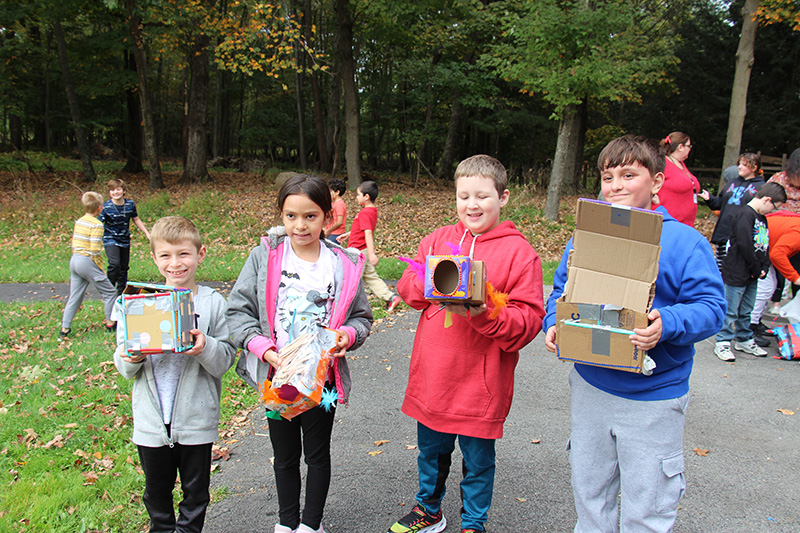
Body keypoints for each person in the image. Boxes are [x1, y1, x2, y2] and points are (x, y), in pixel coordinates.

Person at [543, 135, 726, 532]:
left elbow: (713, 309)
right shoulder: (587, 235)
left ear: (657, 182)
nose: (617, 186)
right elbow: (560, 290)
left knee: (648, 505)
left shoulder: (685, 243)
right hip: (591, 387)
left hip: (653, 398)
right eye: (608, 177)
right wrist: (552, 322)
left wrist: (668, 323)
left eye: (629, 174)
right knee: (591, 496)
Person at [387, 155, 545, 533]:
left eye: (482, 196)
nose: (472, 205)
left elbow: (529, 321)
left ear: (503, 197)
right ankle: (428, 510)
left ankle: (473, 523)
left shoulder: (520, 254)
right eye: (463, 196)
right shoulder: (438, 240)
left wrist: (485, 310)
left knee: (477, 460)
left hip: (481, 382)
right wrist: (426, 281)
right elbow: (408, 288)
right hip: (434, 375)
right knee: (431, 451)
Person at [226, 174, 373, 533]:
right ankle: (286, 523)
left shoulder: (344, 263)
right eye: (291, 216)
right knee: (285, 456)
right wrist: (264, 350)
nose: (300, 225)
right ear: (281, 214)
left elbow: (362, 317)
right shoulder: (264, 256)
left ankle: (311, 525)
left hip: (324, 381)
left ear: (327, 216)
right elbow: (238, 311)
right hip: (278, 378)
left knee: (317, 454)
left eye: (310, 216)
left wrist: (347, 336)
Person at [113, 216, 236, 533]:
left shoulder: (213, 304)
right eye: (166, 255)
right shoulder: (137, 301)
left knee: (195, 497)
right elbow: (126, 367)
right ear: (153, 258)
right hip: (151, 424)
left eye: (184, 254)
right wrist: (133, 355)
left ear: (201, 253)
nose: (175, 263)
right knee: (156, 497)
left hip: (196, 420)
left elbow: (224, 360)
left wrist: (205, 346)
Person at [713, 183, 786, 361]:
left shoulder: (762, 218)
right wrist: (756, 267)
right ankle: (723, 341)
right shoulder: (744, 215)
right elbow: (745, 245)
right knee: (731, 309)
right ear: (767, 200)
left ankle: (744, 338)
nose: (772, 211)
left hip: (753, 273)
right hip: (738, 271)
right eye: (774, 207)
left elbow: (765, 244)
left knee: (747, 309)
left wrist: (764, 266)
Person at [59, 191, 119, 339]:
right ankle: (110, 323)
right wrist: (100, 268)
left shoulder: (80, 221)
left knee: (75, 296)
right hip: (86, 261)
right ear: (100, 208)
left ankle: (65, 329)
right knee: (110, 292)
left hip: (75, 260)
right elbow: (95, 250)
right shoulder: (97, 225)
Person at [338, 180, 403, 312]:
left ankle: (347, 307)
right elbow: (362, 229)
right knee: (371, 277)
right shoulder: (372, 211)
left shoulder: (365, 213)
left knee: (353, 280)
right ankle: (391, 297)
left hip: (358, 251)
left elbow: (368, 233)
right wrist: (348, 234)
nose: (356, 197)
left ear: (366, 197)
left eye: (358, 195)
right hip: (362, 249)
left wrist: (372, 254)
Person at [700, 153, 767, 271]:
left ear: (754, 167)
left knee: (734, 269)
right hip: (724, 231)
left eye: (744, 164)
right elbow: (720, 203)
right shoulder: (732, 182)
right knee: (720, 268)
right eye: (739, 164)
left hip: (743, 234)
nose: (739, 167)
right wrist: (710, 199)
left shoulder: (761, 187)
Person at [749, 210, 800, 344]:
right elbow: (777, 254)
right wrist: (795, 278)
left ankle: (755, 322)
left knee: (769, 286)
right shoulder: (797, 234)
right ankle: (749, 329)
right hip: (753, 245)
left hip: (765, 246)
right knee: (764, 289)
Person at [98, 178, 150, 296]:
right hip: (110, 239)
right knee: (114, 264)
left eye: (118, 189)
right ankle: (109, 289)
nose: (115, 192)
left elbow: (136, 219)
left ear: (123, 190)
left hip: (124, 239)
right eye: (112, 190)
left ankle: (121, 293)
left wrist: (147, 233)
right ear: (109, 192)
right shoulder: (106, 207)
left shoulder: (130, 204)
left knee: (123, 267)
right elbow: (98, 223)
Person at [659, 131, 701, 226]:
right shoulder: (663, 163)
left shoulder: (680, 163)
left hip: (685, 224)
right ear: (680, 147)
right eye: (689, 146)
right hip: (668, 222)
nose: (690, 149)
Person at [323, 178, 347, 244]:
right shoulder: (333, 203)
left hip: (336, 234)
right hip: (331, 232)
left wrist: (328, 230)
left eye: (330, 191)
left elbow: (339, 222)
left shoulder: (339, 204)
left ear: (337, 192)